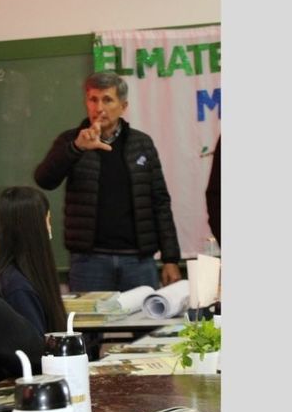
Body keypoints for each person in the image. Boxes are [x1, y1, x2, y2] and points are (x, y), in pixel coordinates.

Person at [34, 71, 182, 292]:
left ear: (123, 106)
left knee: (148, 325)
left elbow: (160, 202)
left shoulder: (142, 144)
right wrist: (76, 148)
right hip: (89, 261)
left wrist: (171, 258)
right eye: (93, 99)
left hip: (139, 261)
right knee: (87, 327)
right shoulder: (72, 140)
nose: (99, 107)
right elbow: (44, 180)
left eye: (107, 100)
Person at [0, 186, 67, 335]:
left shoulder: (16, 278)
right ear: (37, 226)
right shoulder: (17, 288)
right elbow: (35, 351)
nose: (50, 228)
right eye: (48, 220)